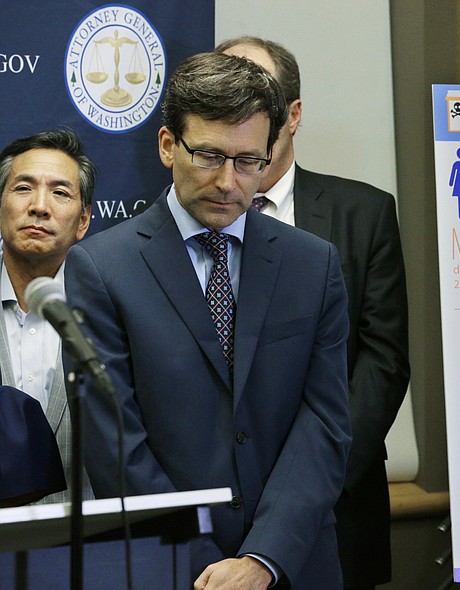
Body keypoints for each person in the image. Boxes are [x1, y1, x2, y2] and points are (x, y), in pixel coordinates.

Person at [64, 52, 351, 590]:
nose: (228, 181)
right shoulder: (102, 268)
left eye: (249, 162)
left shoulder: (314, 264)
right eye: (210, 156)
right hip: (168, 566)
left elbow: (324, 423)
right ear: (168, 144)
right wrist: (204, 566)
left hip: (294, 564)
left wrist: (261, 559)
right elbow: (113, 445)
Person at [216, 36, 410, 590]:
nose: (240, 105)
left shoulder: (364, 213)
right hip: (215, 519)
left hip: (335, 508)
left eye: (257, 91)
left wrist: (313, 480)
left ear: (293, 114)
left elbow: (384, 361)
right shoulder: (179, 223)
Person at [0, 128, 95, 504]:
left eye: (60, 192)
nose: (40, 206)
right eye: (23, 188)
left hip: (85, 546)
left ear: (83, 221)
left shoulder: (112, 308)